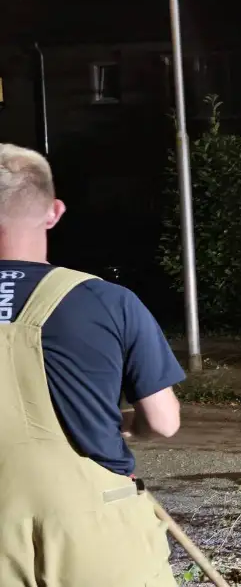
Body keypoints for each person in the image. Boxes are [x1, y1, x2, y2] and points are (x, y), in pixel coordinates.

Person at [0, 144, 184, 587]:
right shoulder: (108, 300)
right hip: (93, 530)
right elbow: (162, 422)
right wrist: (126, 425)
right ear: (53, 212)